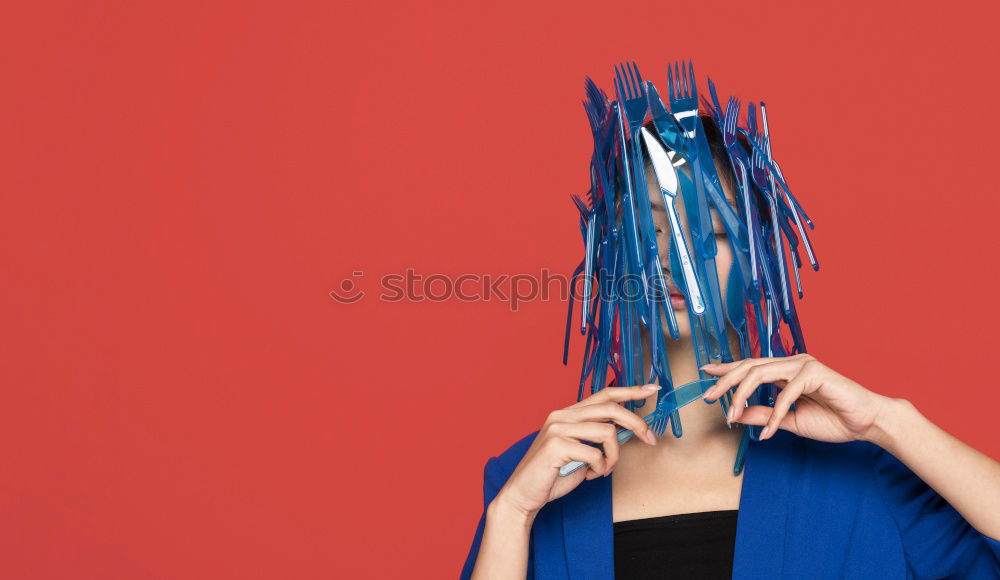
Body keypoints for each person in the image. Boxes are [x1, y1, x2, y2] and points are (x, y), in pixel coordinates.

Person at [459, 106, 1000, 578]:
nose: (675, 262)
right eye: (648, 234)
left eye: (709, 234)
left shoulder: (867, 472)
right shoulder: (533, 480)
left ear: (757, 258)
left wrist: (891, 423)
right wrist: (511, 515)